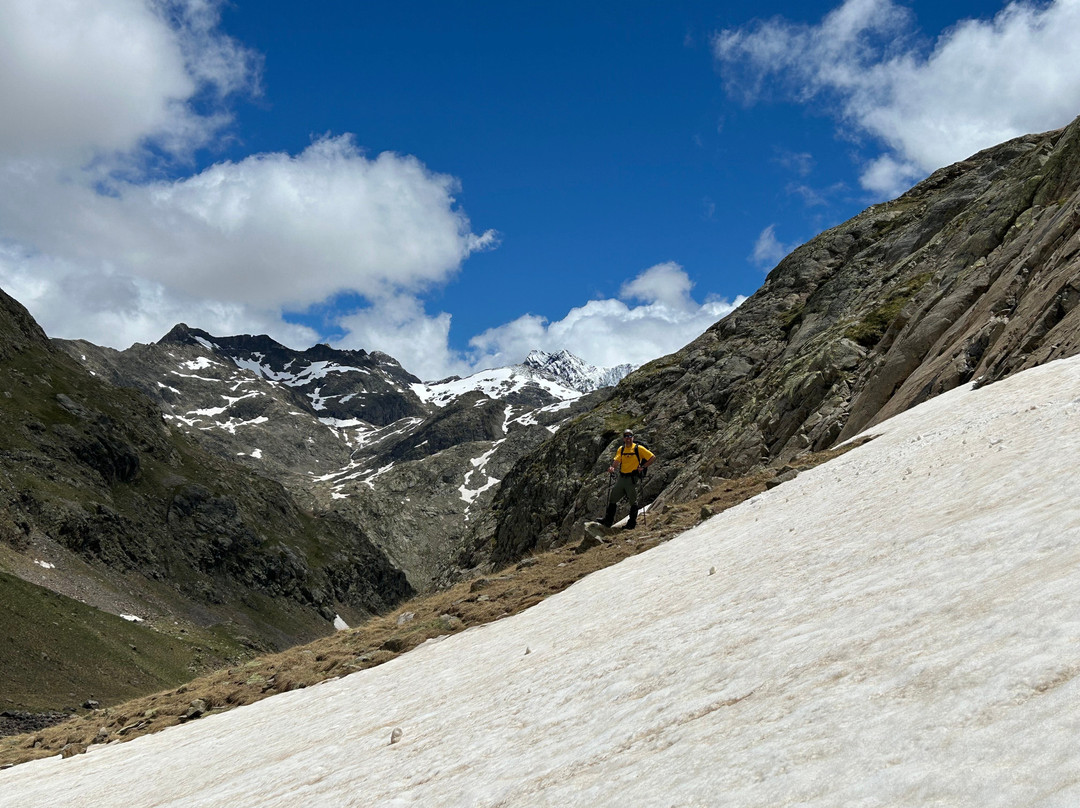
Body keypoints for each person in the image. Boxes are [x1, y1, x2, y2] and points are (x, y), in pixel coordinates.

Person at [601, 428, 655, 530]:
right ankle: (608, 521)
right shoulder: (621, 449)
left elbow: (652, 457)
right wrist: (613, 467)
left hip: (632, 478)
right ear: (623, 438)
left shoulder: (638, 448)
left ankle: (631, 523)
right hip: (622, 477)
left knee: (632, 501)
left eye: (629, 436)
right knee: (613, 498)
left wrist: (643, 466)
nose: (628, 438)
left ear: (633, 438)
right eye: (626, 436)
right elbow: (616, 461)